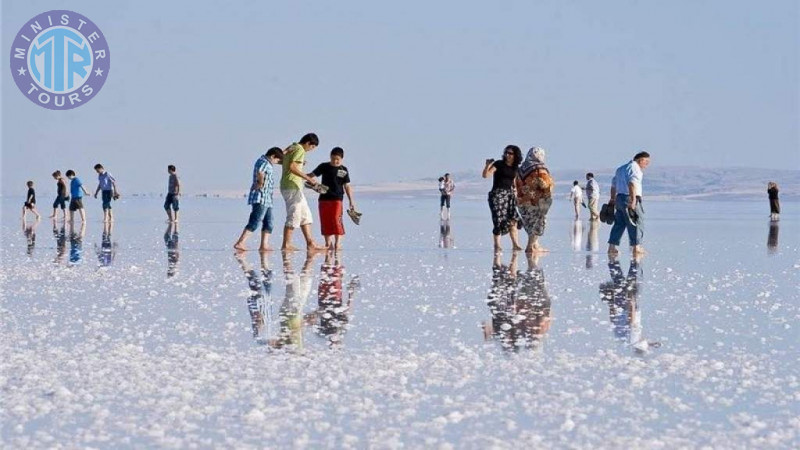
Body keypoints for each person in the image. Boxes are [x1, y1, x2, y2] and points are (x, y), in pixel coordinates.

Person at [280, 133, 326, 252]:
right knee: (294, 215)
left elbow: (281, 158)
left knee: (305, 215)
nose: (311, 150)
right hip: (291, 186)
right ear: (308, 143)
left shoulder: (293, 146)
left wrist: (300, 163)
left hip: (293, 186)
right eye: (312, 147)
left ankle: (310, 243)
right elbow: (292, 167)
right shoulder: (300, 149)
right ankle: (286, 245)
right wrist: (308, 178)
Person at [234, 147, 283, 251]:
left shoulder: (265, 161)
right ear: (273, 156)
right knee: (255, 220)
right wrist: (260, 183)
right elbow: (260, 173)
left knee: (269, 222)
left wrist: (287, 150)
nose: (277, 162)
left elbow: (280, 154)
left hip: (267, 198)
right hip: (261, 197)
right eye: (277, 160)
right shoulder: (264, 162)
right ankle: (240, 242)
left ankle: (264, 245)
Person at [308, 147, 356, 250]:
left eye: (337, 159)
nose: (335, 161)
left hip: (337, 199)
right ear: (330, 156)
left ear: (342, 159)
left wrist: (351, 200)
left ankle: (338, 243)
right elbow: (310, 176)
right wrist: (307, 181)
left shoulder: (343, 170)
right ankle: (328, 243)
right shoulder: (324, 166)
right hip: (323, 199)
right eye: (333, 158)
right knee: (325, 220)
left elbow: (347, 186)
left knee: (336, 219)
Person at [607, 151, 650, 256]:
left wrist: (612, 199)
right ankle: (636, 247)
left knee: (619, 223)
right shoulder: (635, 169)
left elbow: (613, 185)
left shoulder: (620, 169)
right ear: (641, 160)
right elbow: (632, 184)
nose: (647, 165)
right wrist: (633, 200)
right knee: (636, 222)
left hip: (619, 198)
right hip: (629, 198)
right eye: (646, 161)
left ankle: (612, 247)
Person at [482, 145, 524, 252]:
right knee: (498, 220)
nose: (507, 155)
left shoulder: (515, 168)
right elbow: (486, 175)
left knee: (513, 219)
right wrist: (487, 165)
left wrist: (517, 193)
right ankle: (497, 245)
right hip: (497, 195)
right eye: (506, 152)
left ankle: (515, 244)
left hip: (509, 196)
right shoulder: (499, 164)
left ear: (515, 155)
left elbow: (514, 182)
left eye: (510, 153)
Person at [515, 147, 554, 254]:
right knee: (538, 222)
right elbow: (544, 184)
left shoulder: (521, 168)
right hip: (536, 201)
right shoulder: (539, 168)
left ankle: (535, 245)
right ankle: (530, 246)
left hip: (521, 201)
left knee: (529, 223)